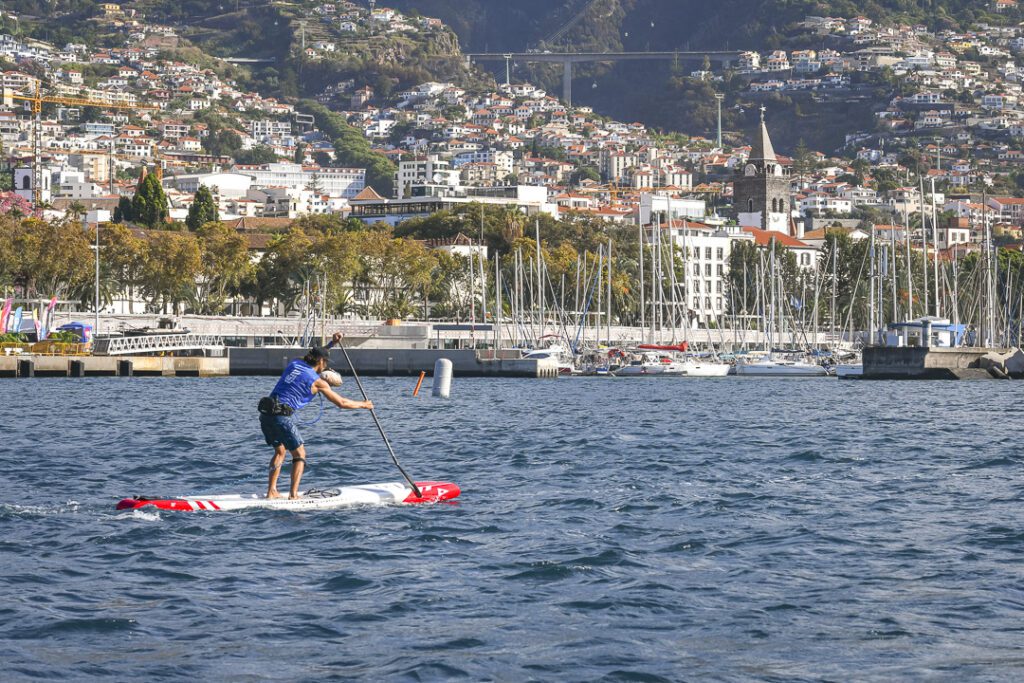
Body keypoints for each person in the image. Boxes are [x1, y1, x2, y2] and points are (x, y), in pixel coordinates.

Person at [259, 334, 372, 499]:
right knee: (299, 454)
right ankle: (293, 495)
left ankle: (271, 492)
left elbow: (316, 353)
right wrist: (364, 404)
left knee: (280, 451)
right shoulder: (318, 382)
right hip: (281, 417)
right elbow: (341, 403)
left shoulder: (295, 363)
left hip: (265, 414)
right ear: (321, 361)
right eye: (325, 362)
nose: (325, 365)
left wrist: (332, 343)